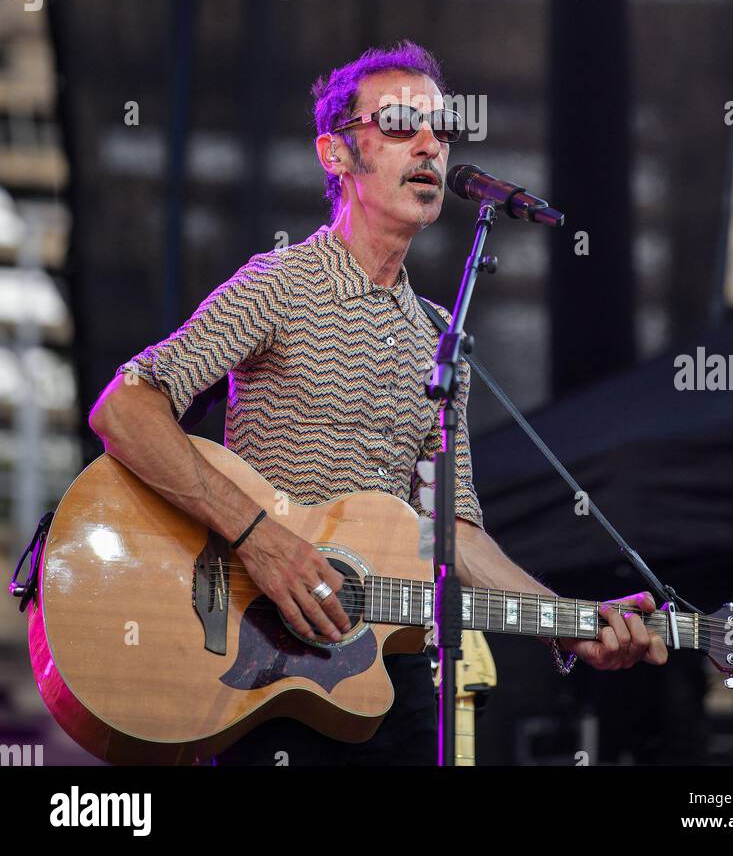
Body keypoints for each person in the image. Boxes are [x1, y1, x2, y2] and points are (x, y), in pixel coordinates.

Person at [88, 40, 667, 767]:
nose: (430, 145)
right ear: (335, 154)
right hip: (257, 654)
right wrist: (259, 540)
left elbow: (453, 536)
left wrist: (568, 622)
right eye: (398, 124)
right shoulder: (280, 284)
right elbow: (125, 408)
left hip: (379, 675)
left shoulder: (437, 333)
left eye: (440, 129)